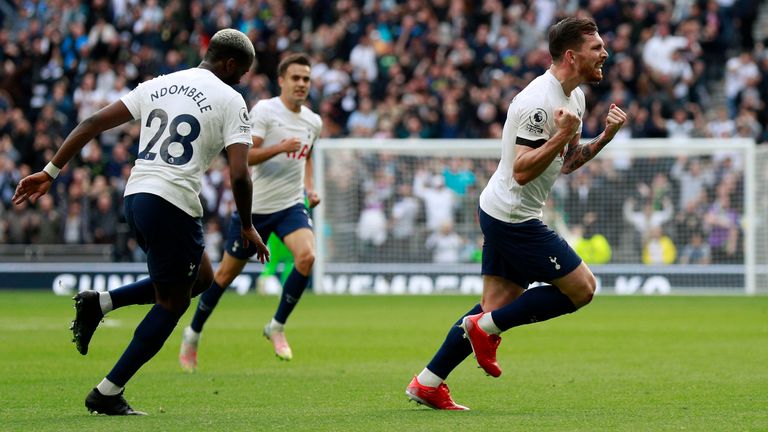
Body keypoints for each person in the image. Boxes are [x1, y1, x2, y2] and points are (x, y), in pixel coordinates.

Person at [12, 29, 269, 416]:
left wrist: (50, 171)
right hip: (173, 203)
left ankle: (100, 303)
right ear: (230, 64)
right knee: (173, 301)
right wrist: (247, 225)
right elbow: (239, 175)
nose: (242, 80)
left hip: (136, 198)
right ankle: (108, 392)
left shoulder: (159, 84)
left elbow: (90, 124)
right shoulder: (232, 100)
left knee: (199, 277)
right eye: (243, 72)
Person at [405, 17, 627, 410]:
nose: (605, 54)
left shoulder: (574, 97)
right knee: (582, 289)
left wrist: (604, 136)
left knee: (494, 304)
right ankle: (484, 329)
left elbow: (567, 162)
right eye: (597, 49)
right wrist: (561, 133)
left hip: (504, 210)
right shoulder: (537, 102)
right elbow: (523, 171)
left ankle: (428, 381)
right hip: (514, 216)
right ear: (572, 56)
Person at [179, 52, 322, 370]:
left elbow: (307, 154)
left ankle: (277, 326)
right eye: (296, 78)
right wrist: (278, 148)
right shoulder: (265, 112)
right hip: (253, 211)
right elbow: (245, 158)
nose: (301, 84)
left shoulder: (314, 121)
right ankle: (193, 333)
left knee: (307, 257)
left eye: (306, 79)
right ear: (282, 80)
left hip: (290, 206)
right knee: (225, 276)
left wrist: (309, 188)